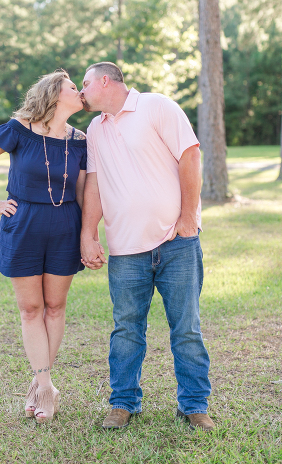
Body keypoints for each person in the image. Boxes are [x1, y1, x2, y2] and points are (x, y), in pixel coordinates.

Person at [79, 62, 214, 431]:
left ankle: (194, 405)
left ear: (105, 81)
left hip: (177, 243)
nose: (81, 92)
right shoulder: (94, 128)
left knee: (186, 328)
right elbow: (93, 182)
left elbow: (191, 155)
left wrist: (188, 220)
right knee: (126, 329)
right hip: (125, 249)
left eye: (86, 84)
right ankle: (123, 403)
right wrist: (88, 234)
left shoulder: (157, 106)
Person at [0, 70, 87, 422]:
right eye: (73, 87)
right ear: (54, 94)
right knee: (31, 309)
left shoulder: (80, 139)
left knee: (55, 306)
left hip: (65, 224)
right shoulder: (19, 128)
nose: (80, 91)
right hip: (24, 224)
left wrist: (85, 233)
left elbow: (81, 192)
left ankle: (39, 382)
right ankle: (47, 387)